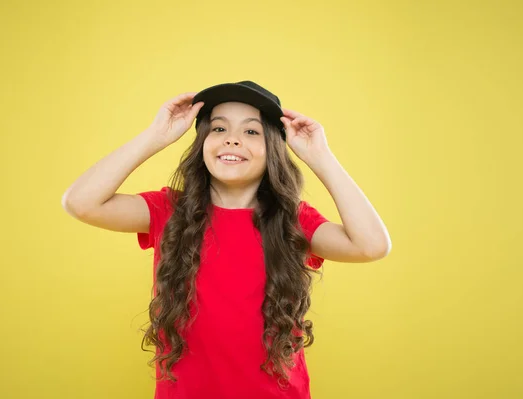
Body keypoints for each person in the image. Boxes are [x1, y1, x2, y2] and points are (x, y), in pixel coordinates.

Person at [62, 80, 391, 399]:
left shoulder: (293, 221)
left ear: (273, 149)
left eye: (251, 131)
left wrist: (320, 157)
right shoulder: (168, 210)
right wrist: (154, 137)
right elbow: (81, 203)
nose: (232, 140)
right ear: (202, 143)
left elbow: (371, 245)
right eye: (219, 129)